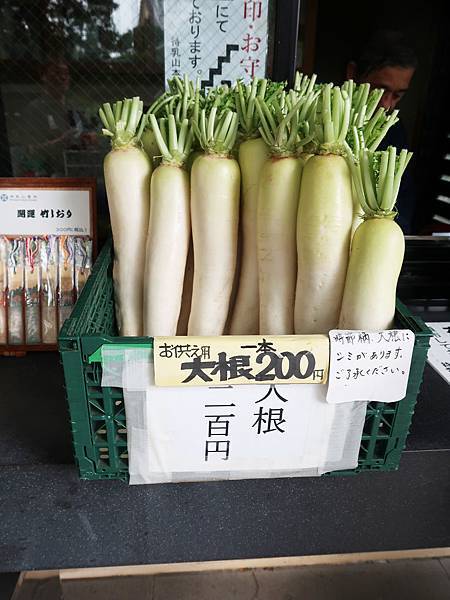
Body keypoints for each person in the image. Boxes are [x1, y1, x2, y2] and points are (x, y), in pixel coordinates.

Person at [346, 30, 418, 233]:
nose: (386, 105)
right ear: (352, 73)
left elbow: (403, 200)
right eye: (380, 90)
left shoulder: (393, 131)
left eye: (397, 95)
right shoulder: (319, 122)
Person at [22, 59, 95, 177]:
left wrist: (88, 140)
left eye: (66, 73)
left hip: (79, 172)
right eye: (56, 73)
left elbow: (90, 136)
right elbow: (30, 150)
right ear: (44, 77)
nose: (62, 77)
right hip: (48, 175)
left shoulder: (74, 107)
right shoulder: (35, 109)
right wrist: (61, 142)